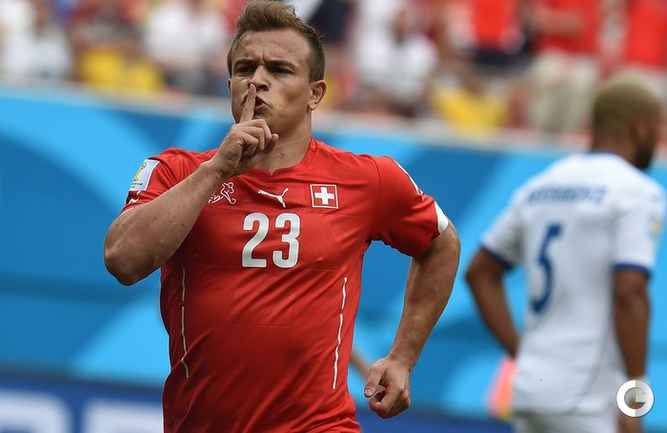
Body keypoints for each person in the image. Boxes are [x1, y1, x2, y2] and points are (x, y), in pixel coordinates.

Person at [103, 1, 460, 432]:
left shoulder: (368, 179)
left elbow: (441, 242)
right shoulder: (176, 171)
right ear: (230, 84)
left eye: (279, 69)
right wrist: (217, 170)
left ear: (315, 94)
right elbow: (123, 260)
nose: (257, 80)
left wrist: (403, 356)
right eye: (244, 68)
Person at [465, 77, 665, 433]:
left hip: (529, 390)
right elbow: (630, 291)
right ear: (640, 127)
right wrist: (634, 399)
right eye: (659, 126)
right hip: (589, 397)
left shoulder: (540, 186)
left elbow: (479, 272)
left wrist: (520, 353)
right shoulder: (637, 192)